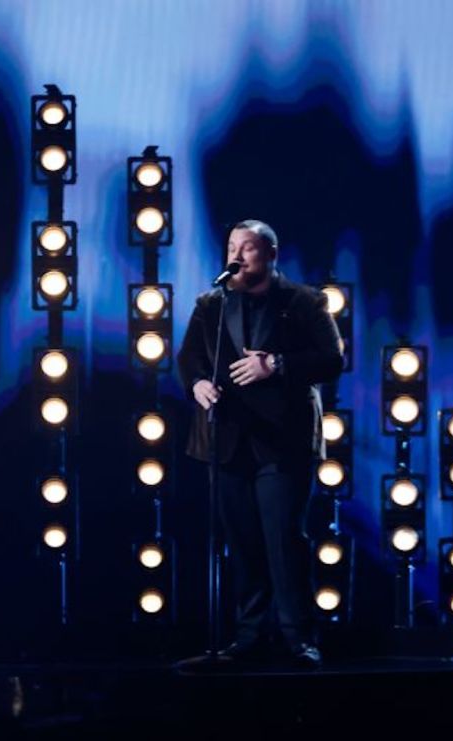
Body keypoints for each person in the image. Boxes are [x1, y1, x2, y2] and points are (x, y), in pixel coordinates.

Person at [177, 220, 342, 667]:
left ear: (270, 253)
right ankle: (248, 636)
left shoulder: (303, 302)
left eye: (247, 248)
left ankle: (298, 638)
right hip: (227, 440)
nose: (237, 255)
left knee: (284, 540)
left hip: (283, 440)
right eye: (232, 246)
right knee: (243, 541)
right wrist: (197, 385)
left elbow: (332, 359)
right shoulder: (212, 304)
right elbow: (189, 357)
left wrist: (277, 364)